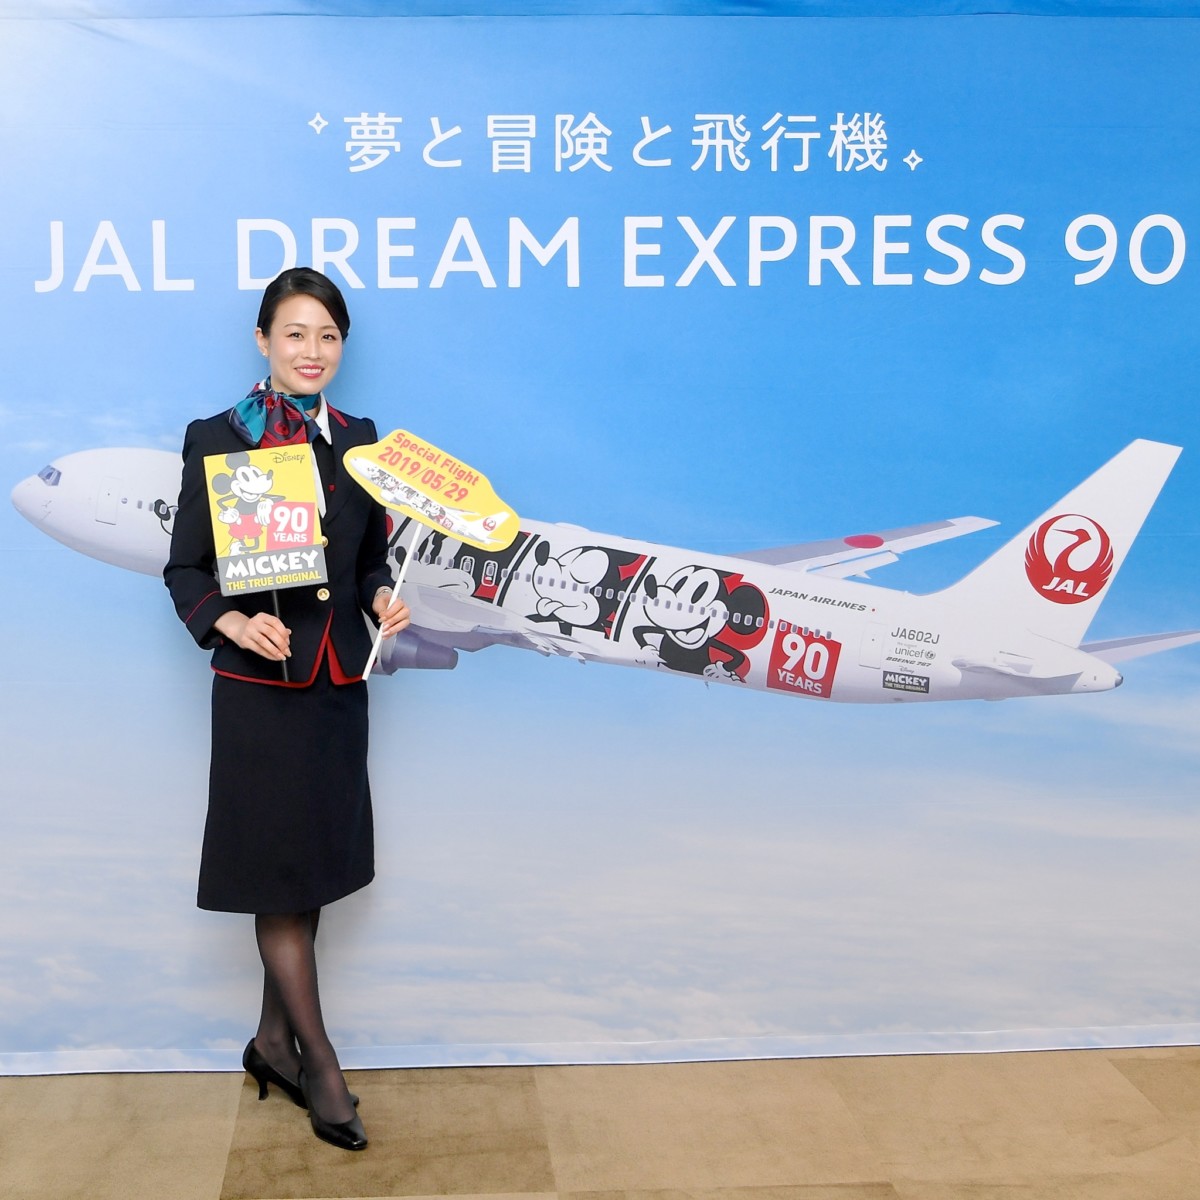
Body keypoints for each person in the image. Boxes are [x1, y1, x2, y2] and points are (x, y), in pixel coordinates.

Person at [164, 267, 409, 1152]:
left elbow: (370, 560)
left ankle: (272, 1043)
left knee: (306, 875)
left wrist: (381, 598)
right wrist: (230, 620)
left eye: (329, 336)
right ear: (263, 340)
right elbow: (184, 568)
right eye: (296, 333)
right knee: (277, 877)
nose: (313, 351)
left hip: (338, 687)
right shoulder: (218, 438)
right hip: (260, 696)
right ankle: (322, 1066)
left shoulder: (363, 443)